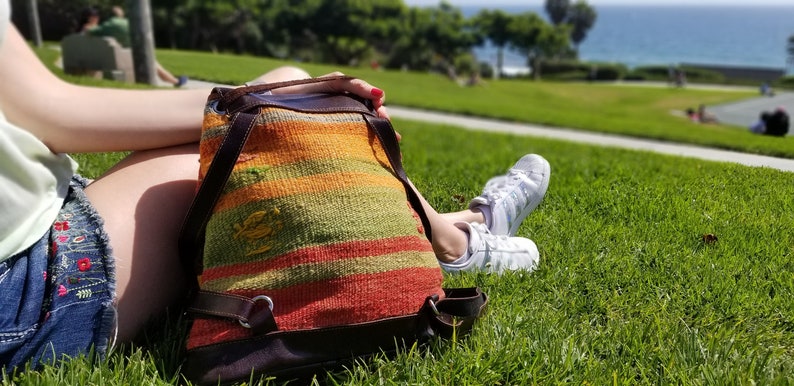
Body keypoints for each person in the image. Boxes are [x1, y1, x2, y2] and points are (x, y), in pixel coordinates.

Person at [0, 0, 550, 371]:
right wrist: (259, 96)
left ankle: (457, 230)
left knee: (281, 101)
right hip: (21, 291)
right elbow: (50, 114)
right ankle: (456, 244)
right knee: (288, 106)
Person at [86, 6, 188, 87]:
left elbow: (90, 31)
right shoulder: (129, 23)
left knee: (154, 64)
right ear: (120, 14)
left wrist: (92, 24)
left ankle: (174, 80)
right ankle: (175, 81)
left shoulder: (106, 26)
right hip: (132, 55)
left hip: (116, 57)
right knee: (154, 64)